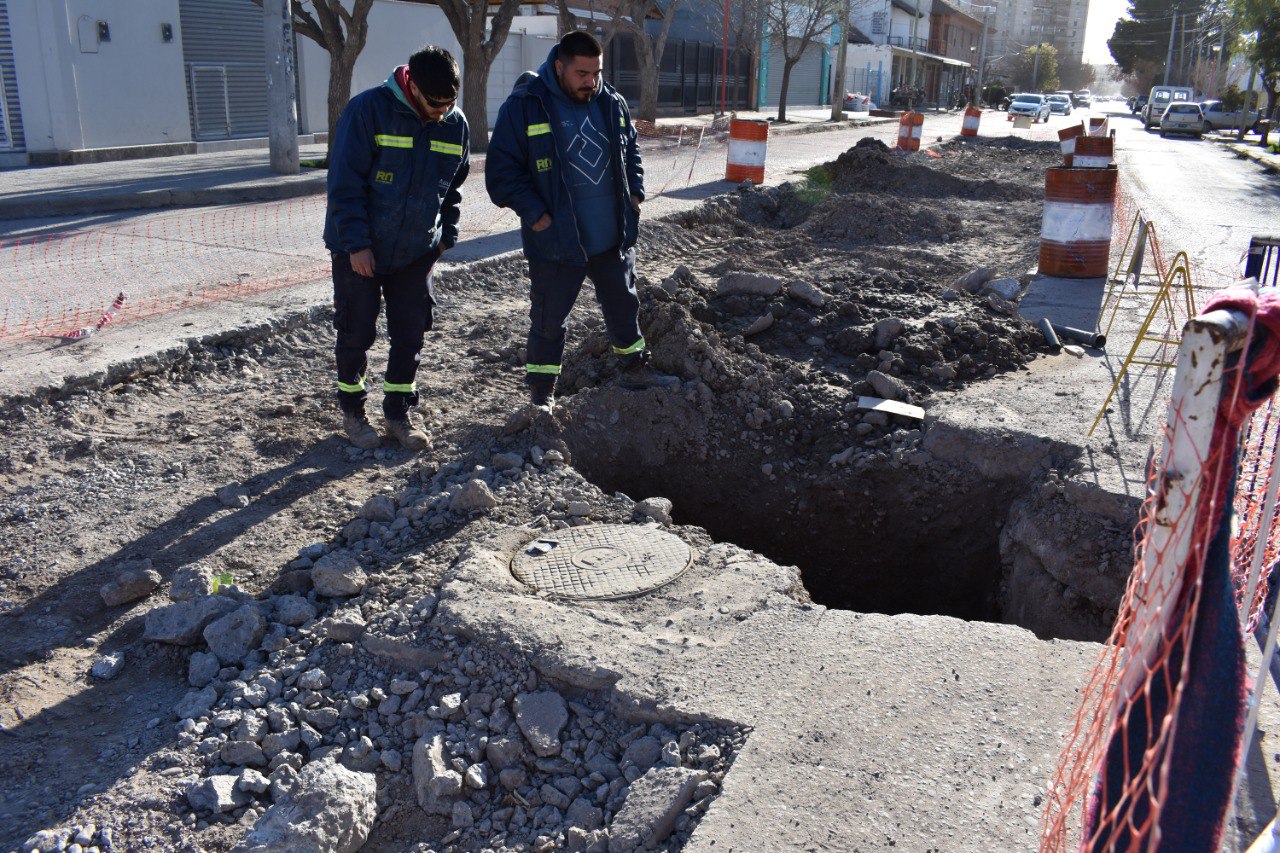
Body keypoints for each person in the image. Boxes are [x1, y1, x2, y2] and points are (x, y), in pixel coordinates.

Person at [485, 31, 676, 408]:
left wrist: (635, 193)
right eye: (582, 74)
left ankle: (634, 369)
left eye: (597, 73)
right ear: (559, 67)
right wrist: (535, 213)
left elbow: (631, 152)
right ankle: (542, 395)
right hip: (558, 243)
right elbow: (501, 173)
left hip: (611, 239)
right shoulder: (526, 106)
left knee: (624, 307)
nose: (591, 82)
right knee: (548, 321)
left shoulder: (612, 103)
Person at [323, 45, 469, 451]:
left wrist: (446, 237)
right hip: (359, 250)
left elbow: (453, 189)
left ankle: (398, 412)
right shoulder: (367, 111)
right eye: (436, 103)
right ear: (412, 86)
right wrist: (356, 245)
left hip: (417, 252)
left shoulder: (455, 124)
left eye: (450, 102)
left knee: (410, 334)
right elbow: (344, 186)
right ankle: (354, 412)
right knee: (356, 331)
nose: (443, 112)